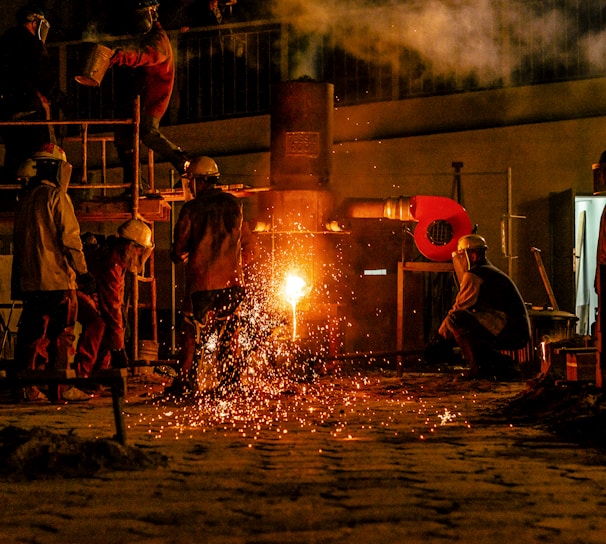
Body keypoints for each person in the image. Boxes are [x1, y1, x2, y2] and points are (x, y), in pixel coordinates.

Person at [167, 156, 258, 397]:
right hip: (233, 284)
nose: (189, 187)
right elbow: (251, 248)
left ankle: (186, 382)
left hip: (202, 285)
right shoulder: (234, 205)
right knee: (229, 332)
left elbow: (179, 248)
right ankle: (229, 383)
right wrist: (234, 266)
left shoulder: (192, 208)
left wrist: (179, 256)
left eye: (191, 182)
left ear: (199, 181)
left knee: (191, 332)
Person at [11, 143, 94, 401]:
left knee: (31, 337)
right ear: (58, 168)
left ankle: (26, 388)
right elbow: (70, 239)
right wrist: (82, 272)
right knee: (61, 336)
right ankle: (59, 388)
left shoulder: (26, 200)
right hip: (58, 281)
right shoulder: (57, 197)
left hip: (30, 283)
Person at [108, 0, 188, 193]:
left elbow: (144, 56)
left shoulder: (158, 39)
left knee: (148, 132)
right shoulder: (147, 36)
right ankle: (136, 185)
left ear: (152, 14)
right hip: (140, 98)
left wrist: (120, 57)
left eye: (142, 15)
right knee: (123, 139)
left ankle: (184, 164)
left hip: (154, 99)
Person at [438, 234, 531, 380]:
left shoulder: (475, 275)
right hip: (512, 329)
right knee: (466, 321)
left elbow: (459, 308)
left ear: (472, 256)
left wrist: (439, 339)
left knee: (456, 319)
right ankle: (500, 364)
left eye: (462, 256)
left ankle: (478, 368)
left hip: (510, 330)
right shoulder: (489, 271)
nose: (460, 261)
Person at [74, 220, 154, 378]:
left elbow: (114, 301)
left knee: (112, 324)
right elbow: (111, 305)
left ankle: (99, 374)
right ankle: (83, 375)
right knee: (98, 323)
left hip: (89, 294)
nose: (139, 255)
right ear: (130, 245)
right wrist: (119, 349)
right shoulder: (112, 263)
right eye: (139, 250)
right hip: (73, 290)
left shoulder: (117, 258)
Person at [0, 4, 55, 185]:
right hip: (29, 108)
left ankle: (9, 194)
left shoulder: (5, 42)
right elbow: (43, 77)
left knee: (13, 154)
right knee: (36, 157)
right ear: (35, 23)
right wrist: (58, 97)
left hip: (7, 109)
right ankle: (32, 194)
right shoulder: (33, 46)